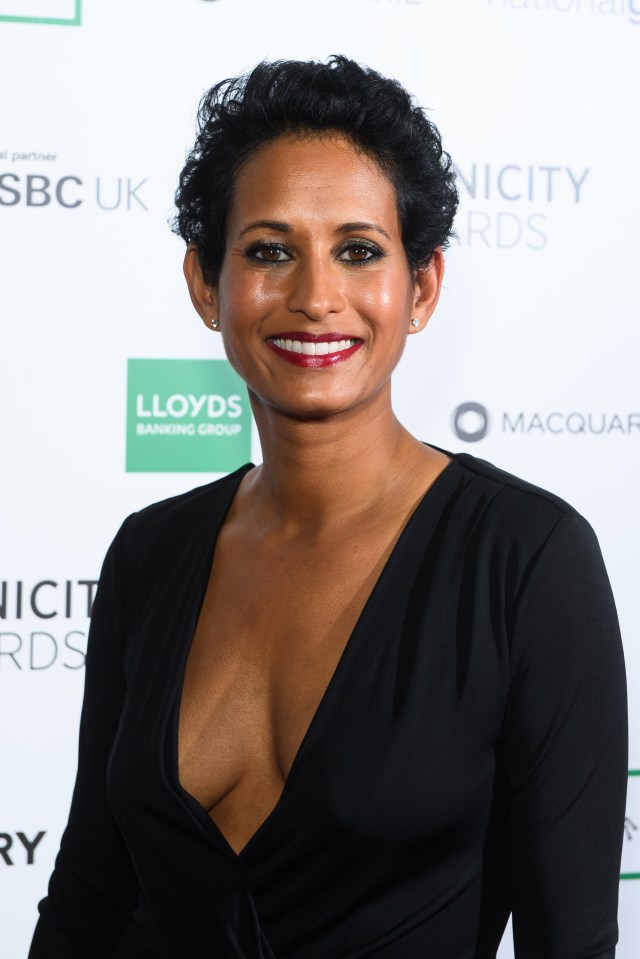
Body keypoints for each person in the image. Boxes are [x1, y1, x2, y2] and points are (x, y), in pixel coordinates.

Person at [29, 56, 627, 959]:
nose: (315, 297)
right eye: (269, 250)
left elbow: (569, 941)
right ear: (205, 283)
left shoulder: (528, 560)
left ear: (421, 286)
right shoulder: (148, 552)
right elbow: (88, 901)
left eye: (359, 250)